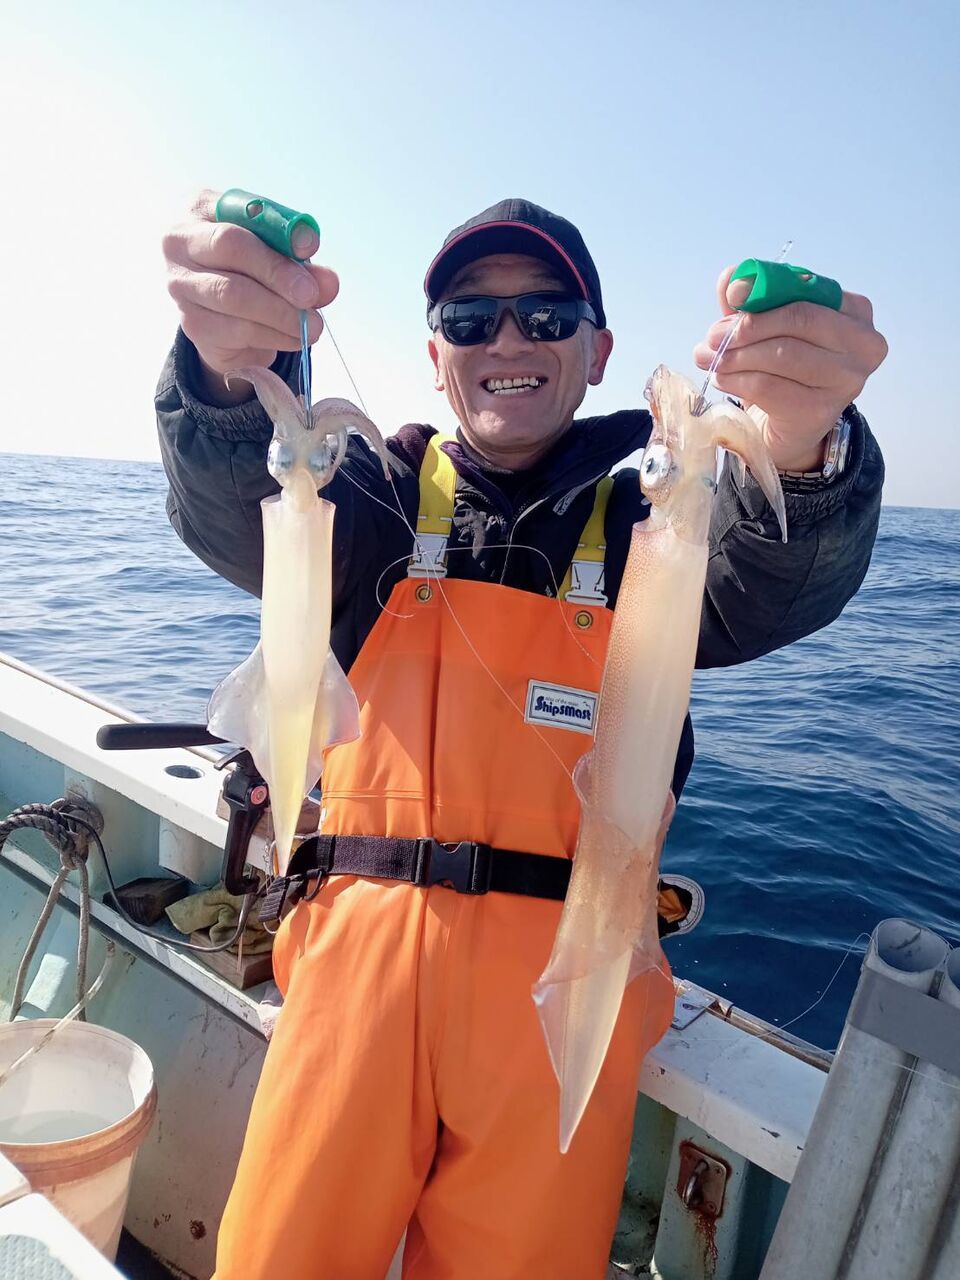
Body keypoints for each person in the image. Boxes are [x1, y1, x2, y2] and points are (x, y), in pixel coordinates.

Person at [157, 194, 887, 1279]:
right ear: (436, 355)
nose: (507, 339)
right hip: (350, 989)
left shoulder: (654, 526)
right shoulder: (373, 500)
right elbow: (236, 507)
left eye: (546, 315)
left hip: (569, 997)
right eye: (470, 318)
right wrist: (223, 378)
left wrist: (803, 451)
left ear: (597, 352)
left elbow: (772, 579)